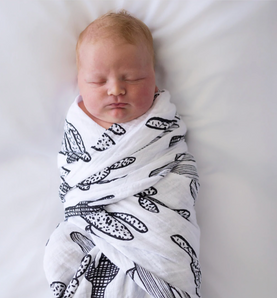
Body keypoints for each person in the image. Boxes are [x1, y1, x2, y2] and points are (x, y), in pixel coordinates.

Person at [44, 10, 201, 298]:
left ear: (154, 79)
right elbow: (72, 184)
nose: (116, 89)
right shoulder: (79, 128)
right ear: (80, 82)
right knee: (58, 251)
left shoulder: (161, 126)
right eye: (98, 81)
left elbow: (180, 176)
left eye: (132, 78)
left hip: (157, 241)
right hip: (88, 229)